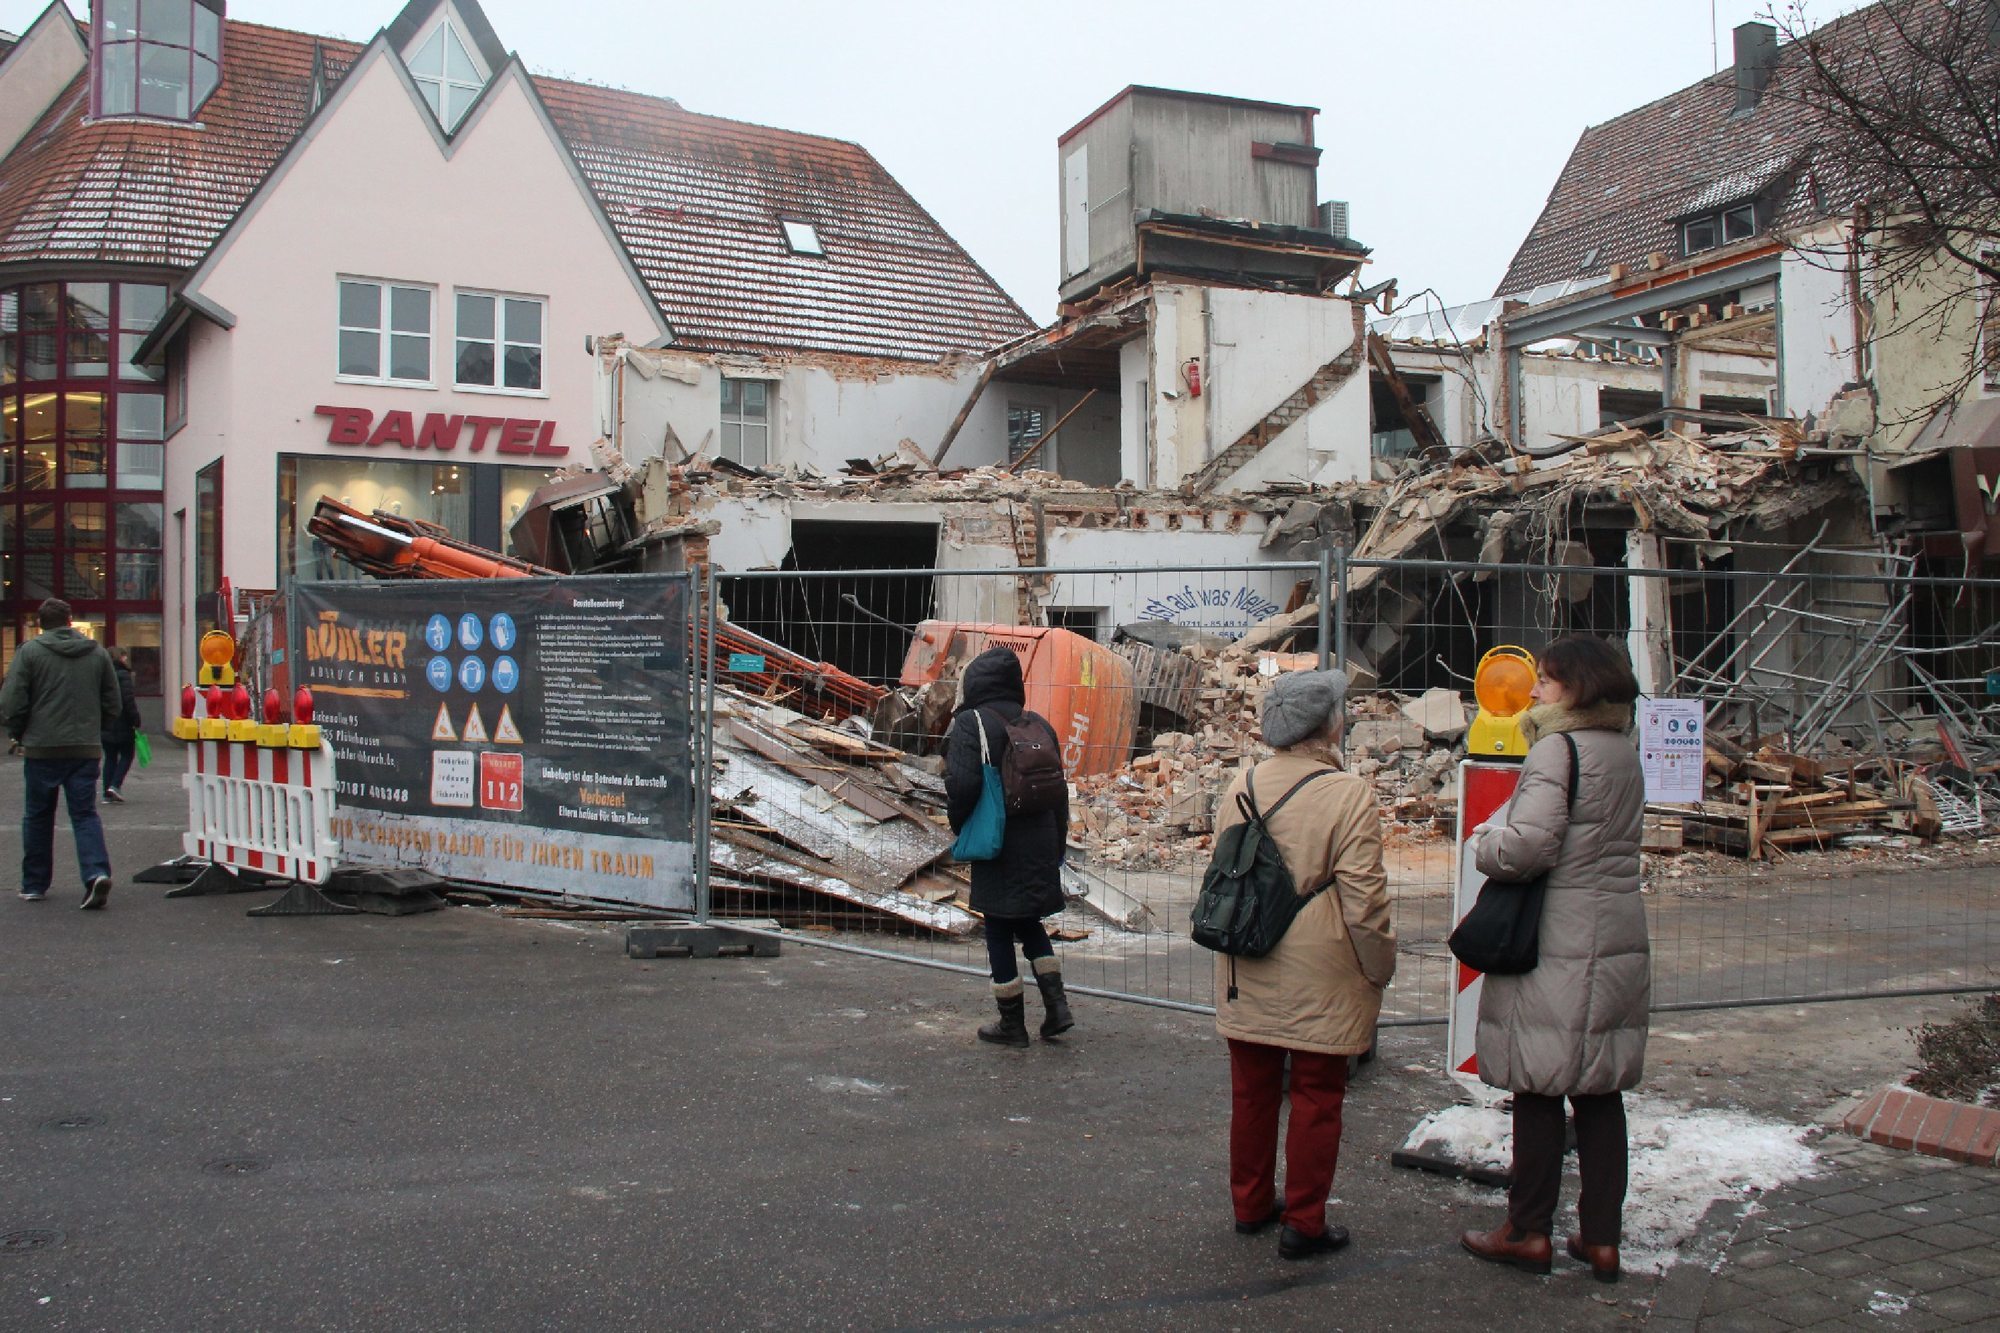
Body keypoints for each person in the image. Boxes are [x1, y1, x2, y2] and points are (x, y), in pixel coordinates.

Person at [1459, 635, 1649, 1284]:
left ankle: (1526, 1229)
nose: (1534, 689)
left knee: (1538, 1085)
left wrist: (1485, 841)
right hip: (1615, 931)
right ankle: (1601, 1238)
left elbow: (1529, 848)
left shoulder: (1556, 750)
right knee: (1599, 1092)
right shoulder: (1623, 750)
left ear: (1577, 687)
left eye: (1546, 679)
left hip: (1557, 937)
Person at [1212, 668, 1396, 1261]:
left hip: (1247, 960)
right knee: (1318, 1093)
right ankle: (1305, 1221)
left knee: (1253, 1091)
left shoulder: (1240, 784)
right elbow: (1365, 903)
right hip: (1324, 965)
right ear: (1330, 725)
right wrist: (1380, 968)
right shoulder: (1349, 795)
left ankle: (1249, 1205)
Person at [944, 645, 1073, 1048]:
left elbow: (963, 786)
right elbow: (1060, 793)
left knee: (998, 927)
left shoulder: (973, 723)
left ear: (975, 684)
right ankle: (1058, 1009)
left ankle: (1011, 1024)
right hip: (1041, 837)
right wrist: (1057, 843)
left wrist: (960, 825)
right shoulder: (1039, 724)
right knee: (1029, 921)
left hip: (999, 841)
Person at [1, 599, 120, 909]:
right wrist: (97, 728)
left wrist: (18, 731)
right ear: (70, 621)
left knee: (38, 815)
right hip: (84, 747)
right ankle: (96, 872)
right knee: (84, 814)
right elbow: (113, 701)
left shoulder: (29, 652)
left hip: (42, 747)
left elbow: (12, 700)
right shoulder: (96, 652)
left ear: (41, 623)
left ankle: (34, 884)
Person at [101, 647, 142, 803]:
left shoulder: (102, 674)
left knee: (110, 757)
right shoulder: (123, 675)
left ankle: (107, 793)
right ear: (121, 658)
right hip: (122, 722)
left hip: (106, 722)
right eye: (125, 657)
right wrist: (135, 720)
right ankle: (115, 785)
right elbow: (128, 700)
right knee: (127, 754)